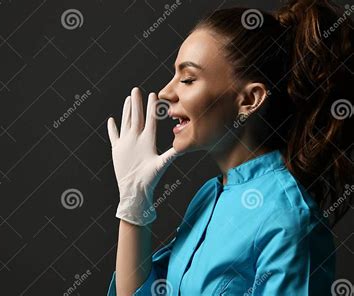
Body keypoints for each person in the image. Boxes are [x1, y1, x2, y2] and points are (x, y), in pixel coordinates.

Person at [106, 0, 353, 295]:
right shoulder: (209, 196)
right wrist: (134, 206)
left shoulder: (289, 221)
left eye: (187, 79)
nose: (165, 92)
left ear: (249, 100)